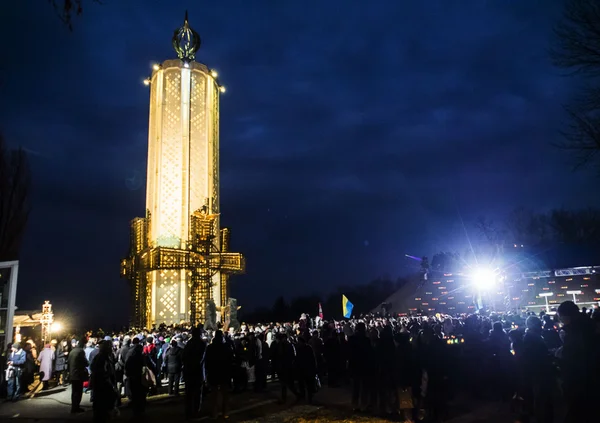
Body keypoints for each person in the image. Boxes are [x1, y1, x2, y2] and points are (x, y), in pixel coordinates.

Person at [205, 330, 234, 419]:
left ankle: (214, 413)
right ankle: (225, 412)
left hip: (213, 372)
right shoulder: (226, 347)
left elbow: (207, 361)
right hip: (224, 372)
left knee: (214, 394)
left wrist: (208, 372)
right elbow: (231, 360)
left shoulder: (210, 348)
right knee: (225, 394)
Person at [90, 340, 118, 423]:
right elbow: (103, 373)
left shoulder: (102, 357)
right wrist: (111, 385)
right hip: (102, 387)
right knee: (102, 409)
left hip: (101, 387)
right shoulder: (102, 358)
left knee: (101, 409)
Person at [182, 326, 207, 419]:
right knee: (197, 393)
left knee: (188, 393)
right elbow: (202, 358)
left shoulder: (189, 343)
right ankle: (196, 411)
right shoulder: (201, 344)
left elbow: (183, 357)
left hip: (189, 370)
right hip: (197, 371)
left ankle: (188, 411)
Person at [67, 336, 89, 414]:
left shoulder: (72, 351)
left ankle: (74, 407)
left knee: (74, 391)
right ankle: (76, 407)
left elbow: (68, 363)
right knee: (79, 392)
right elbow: (85, 362)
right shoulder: (81, 351)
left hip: (72, 374)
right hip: (78, 374)